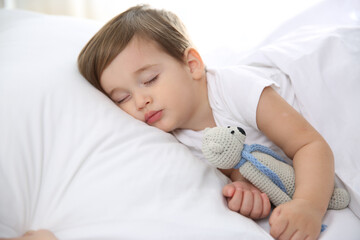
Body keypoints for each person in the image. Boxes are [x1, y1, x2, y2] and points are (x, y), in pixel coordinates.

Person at [77, 5, 335, 240]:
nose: (140, 101)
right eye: (123, 98)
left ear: (192, 65)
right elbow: (236, 163)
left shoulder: (235, 89)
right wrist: (245, 188)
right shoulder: (173, 141)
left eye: (150, 79)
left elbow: (308, 144)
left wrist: (308, 205)